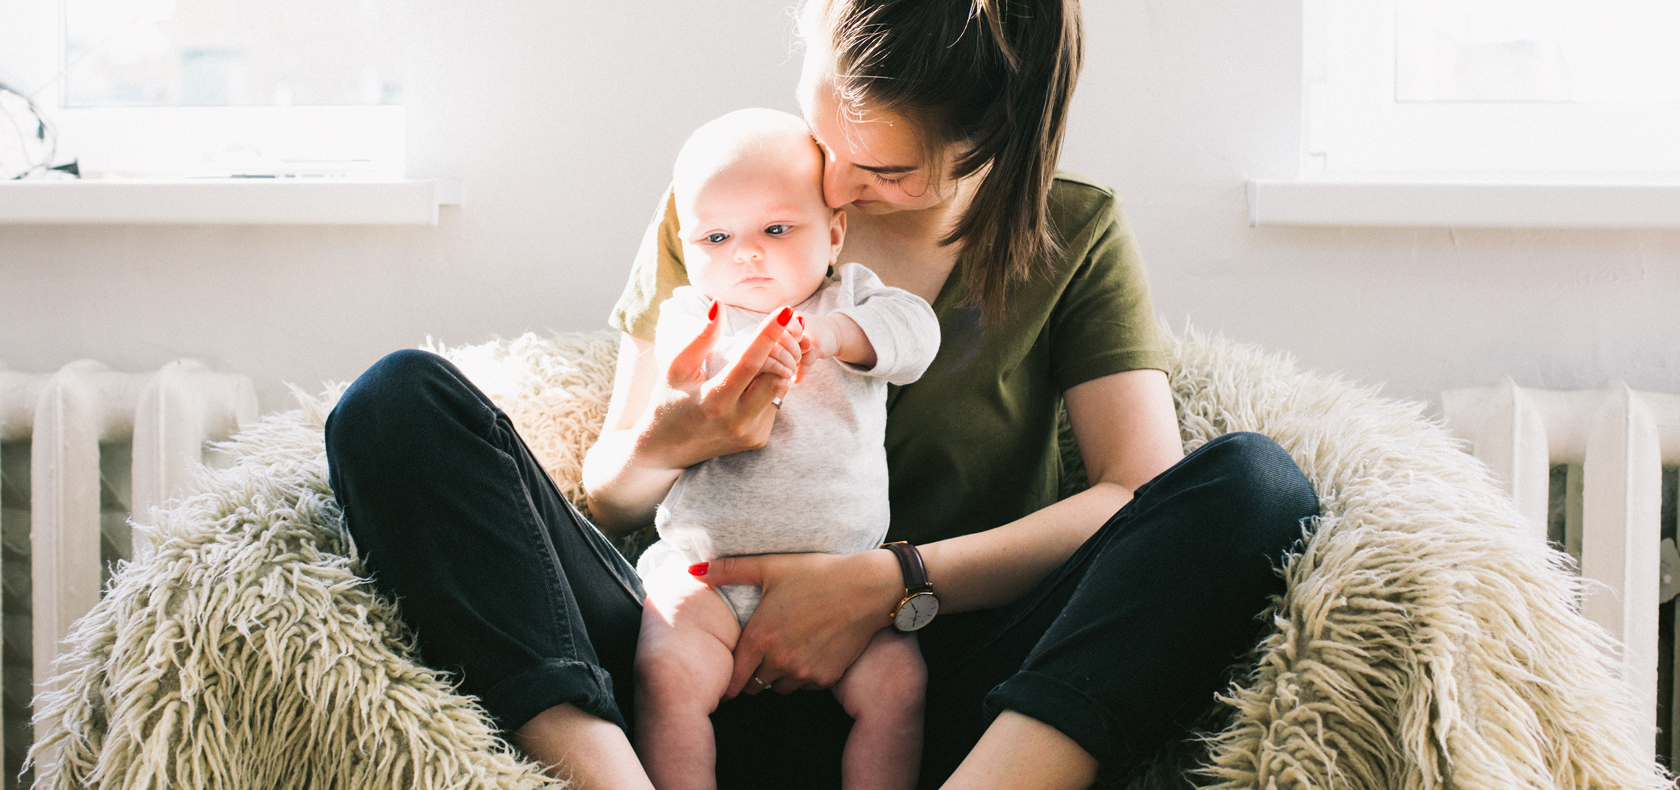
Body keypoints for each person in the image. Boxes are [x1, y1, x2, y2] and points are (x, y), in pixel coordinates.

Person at [323, 0, 1321, 788]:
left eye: (881, 169)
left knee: (1257, 490)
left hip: (933, 696)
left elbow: (1130, 493)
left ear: (989, 146)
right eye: (821, 132)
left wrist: (890, 582)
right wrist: (673, 439)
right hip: (680, 661)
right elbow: (610, 493)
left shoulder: (1075, 234)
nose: (830, 184)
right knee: (394, 404)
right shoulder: (734, 195)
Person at [632, 107, 939, 790]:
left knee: (900, 688)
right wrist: (702, 369)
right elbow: (674, 384)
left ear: (833, 234)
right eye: (718, 236)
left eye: (776, 229)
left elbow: (917, 336)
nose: (747, 252)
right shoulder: (694, 312)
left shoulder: (849, 300)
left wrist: (832, 336)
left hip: (842, 586)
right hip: (708, 576)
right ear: (689, 246)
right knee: (665, 674)